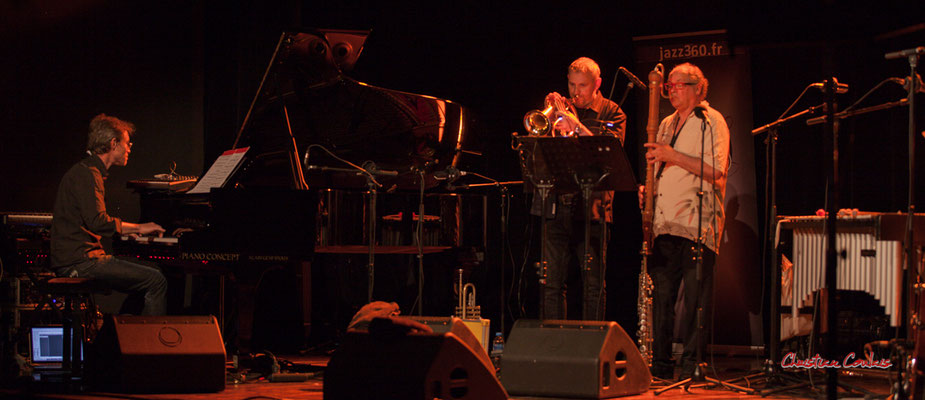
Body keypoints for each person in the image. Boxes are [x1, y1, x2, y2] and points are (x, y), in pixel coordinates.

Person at [641, 62, 730, 380]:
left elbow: (716, 170)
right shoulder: (664, 122)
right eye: (669, 85)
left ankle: (693, 365)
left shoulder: (711, 120)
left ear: (697, 87)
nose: (670, 90)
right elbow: (658, 162)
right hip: (663, 223)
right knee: (662, 300)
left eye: (677, 84)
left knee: (695, 302)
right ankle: (661, 366)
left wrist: (671, 155)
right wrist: (647, 189)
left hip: (696, 222)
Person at [532, 57, 627, 320]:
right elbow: (540, 155)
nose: (576, 92)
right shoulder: (564, 107)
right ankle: (554, 347)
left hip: (592, 209)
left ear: (597, 84)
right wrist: (551, 121)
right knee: (551, 283)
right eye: (572, 85)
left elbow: (610, 153)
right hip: (555, 204)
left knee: (593, 285)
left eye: (583, 86)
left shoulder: (613, 112)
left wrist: (576, 125)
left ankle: (593, 349)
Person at [50, 113, 168, 315]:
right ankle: (148, 344)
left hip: (80, 258)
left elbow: (91, 221)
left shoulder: (87, 171)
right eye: (127, 143)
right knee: (156, 280)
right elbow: (97, 222)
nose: (130, 148)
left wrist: (125, 232)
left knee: (147, 280)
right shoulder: (87, 174)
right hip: (81, 262)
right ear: (114, 143)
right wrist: (141, 227)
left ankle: (125, 336)